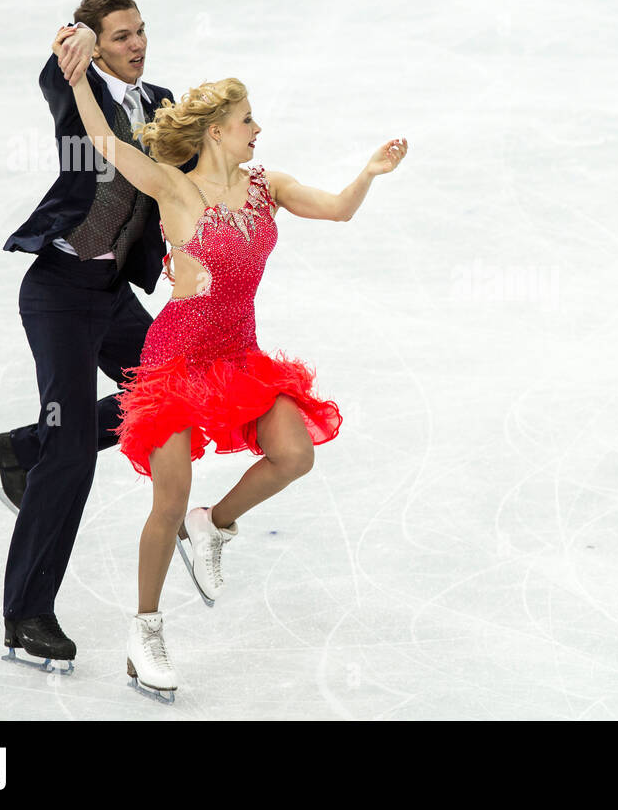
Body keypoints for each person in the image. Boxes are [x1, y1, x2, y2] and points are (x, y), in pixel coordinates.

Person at [62, 60, 406, 701]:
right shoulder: (173, 188)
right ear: (216, 132)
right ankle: (146, 630)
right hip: (178, 358)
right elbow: (107, 144)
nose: (257, 128)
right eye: (247, 119)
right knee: (166, 500)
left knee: (295, 453)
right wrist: (79, 78)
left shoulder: (263, 186)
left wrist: (368, 174)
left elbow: (336, 211)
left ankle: (213, 523)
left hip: (236, 355)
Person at [0, 0, 196, 670]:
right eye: (122, 35)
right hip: (60, 291)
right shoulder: (74, 87)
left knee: (175, 390)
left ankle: (23, 447)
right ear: (97, 44)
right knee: (72, 455)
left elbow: (187, 177)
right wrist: (70, 39)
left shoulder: (161, 103)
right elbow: (57, 62)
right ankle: (26, 616)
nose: (138, 45)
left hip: (112, 292)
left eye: (141, 32)